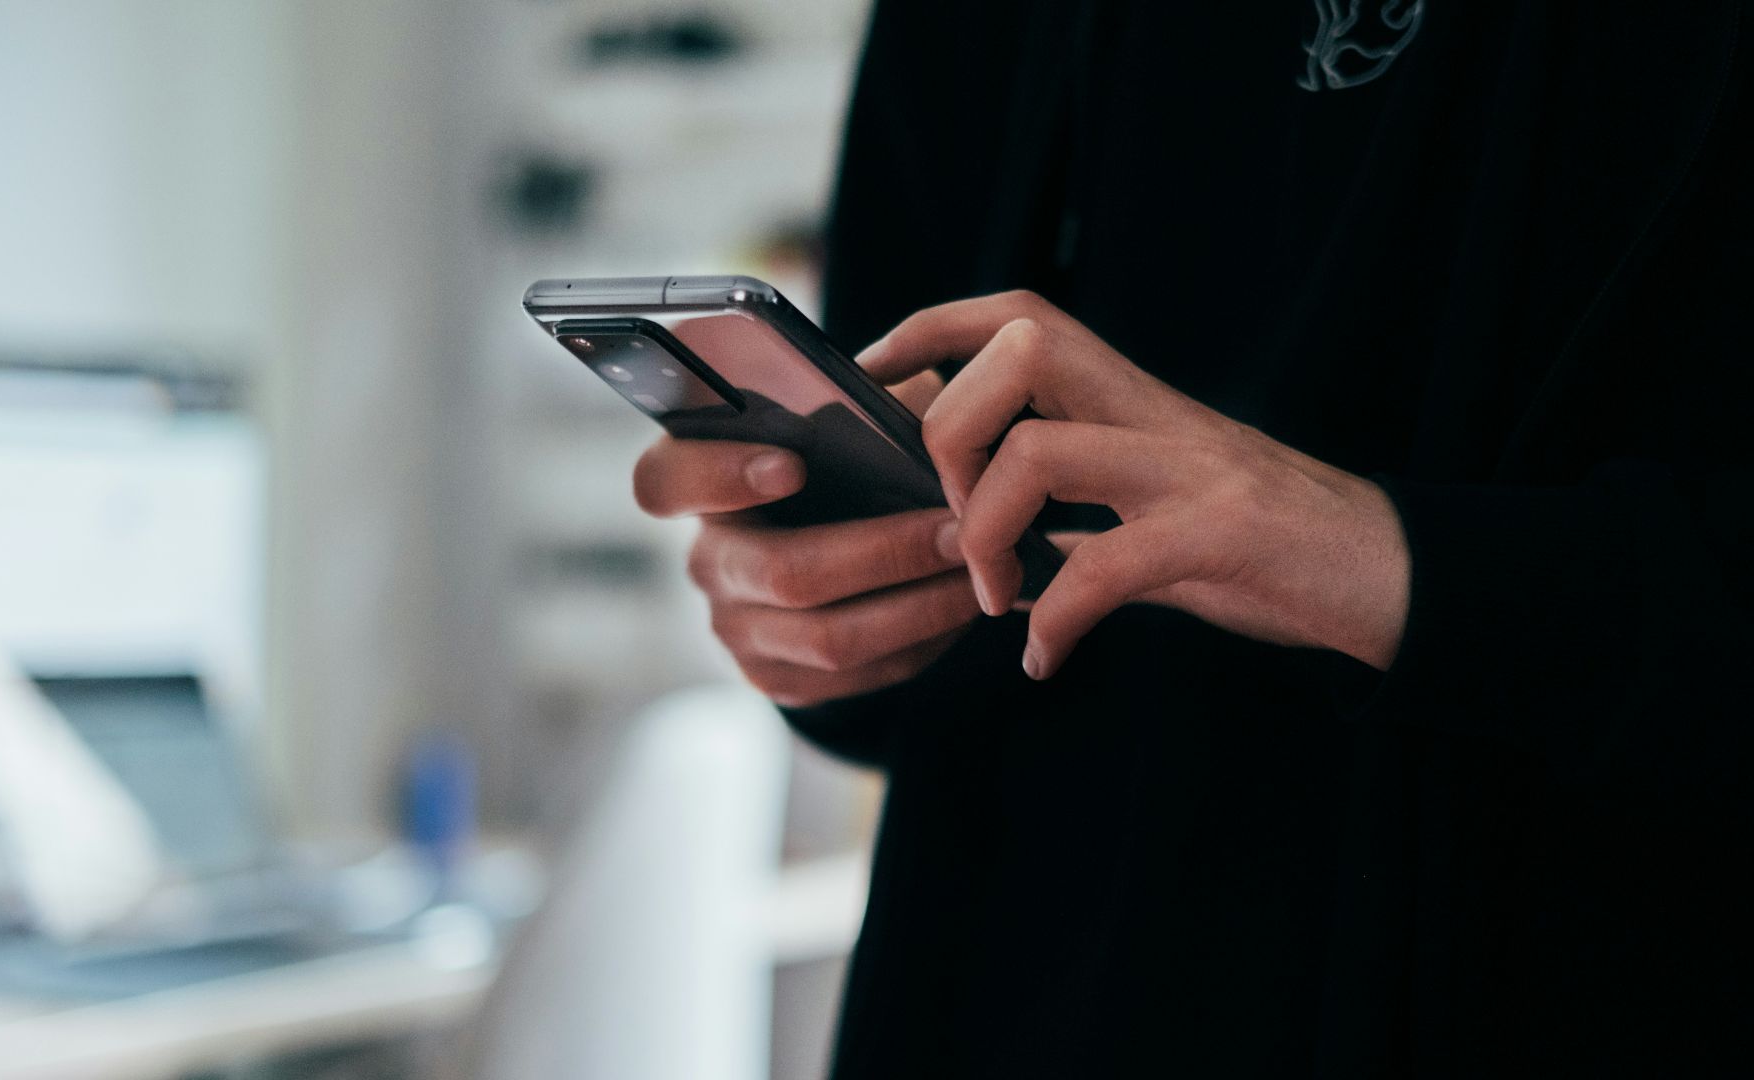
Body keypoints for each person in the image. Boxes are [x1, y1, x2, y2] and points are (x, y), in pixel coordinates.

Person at [634, 1, 1754, 1075]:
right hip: (1016, 981)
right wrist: (819, 608)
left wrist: (1387, 560)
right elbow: (919, 568)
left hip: (1563, 982)